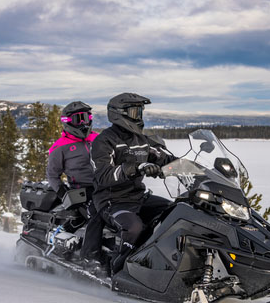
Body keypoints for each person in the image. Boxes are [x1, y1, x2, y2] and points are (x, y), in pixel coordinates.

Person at [90, 93, 176, 275]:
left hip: (138, 196)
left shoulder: (142, 141)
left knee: (173, 211)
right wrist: (136, 168)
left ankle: (158, 262)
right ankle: (117, 269)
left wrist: (191, 167)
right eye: (135, 112)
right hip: (111, 200)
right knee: (134, 227)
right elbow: (103, 175)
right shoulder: (104, 141)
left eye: (141, 112)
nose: (140, 117)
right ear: (120, 114)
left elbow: (164, 158)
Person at [46, 101, 104, 268]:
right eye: (79, 119)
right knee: (98, 214)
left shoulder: (98, 139)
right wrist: (63, 193)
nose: (84, 122)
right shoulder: (59, 147)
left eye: (87, 117)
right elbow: (52, 175)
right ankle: (91, 258)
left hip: (106, 186)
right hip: (82, 190)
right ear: (68, 121)